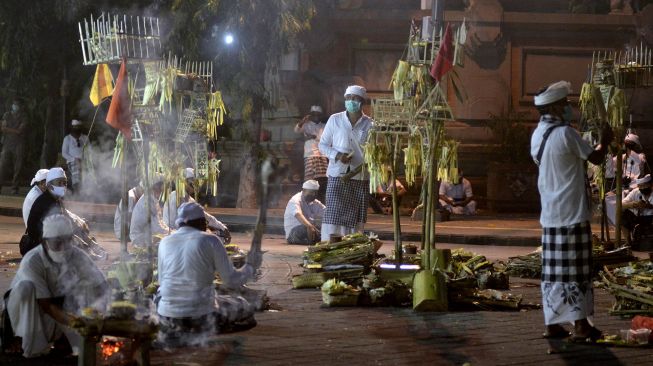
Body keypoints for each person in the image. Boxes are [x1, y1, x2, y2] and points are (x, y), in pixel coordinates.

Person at [530, 80, 613, 342]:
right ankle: (580, 326)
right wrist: (605, 140)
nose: (568, 108)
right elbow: (596, 158)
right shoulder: (566, 133)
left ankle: (552, 324)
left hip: (551, 213)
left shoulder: (538, 134)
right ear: (554, 108)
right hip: (572, 213)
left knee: (554, 271)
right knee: (576, 270)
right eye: (564, 104)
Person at [3, 214, 108, 358]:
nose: (63, 247)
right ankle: (20, 339)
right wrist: (74, 322)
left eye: (67, 241)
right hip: (25, 312)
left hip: (56, 309)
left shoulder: (77, 255)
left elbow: (101, 285)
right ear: (44, 241)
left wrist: (103, 309)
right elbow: (45, 304)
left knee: (83, 287)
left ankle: (62, 341)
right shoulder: (33, 260)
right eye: (57, 242)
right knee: (26, 288)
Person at [156, 202, 258, 340]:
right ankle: (210, 328)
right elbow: (231, 280)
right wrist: (250, 267)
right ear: (201, 222)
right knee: (242, 304)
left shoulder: (165, 242)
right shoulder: (211, 240)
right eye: (205, 221)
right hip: (200, 316)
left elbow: (161, 283)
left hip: (167, 316)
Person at [318, 85, 373, 242]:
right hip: (337, 175)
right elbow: (323, 145)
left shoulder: (370, 124)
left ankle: (351, 246)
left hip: (359, 176)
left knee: (355, 217)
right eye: (348, 98)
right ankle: (330, 244)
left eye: (355, 99)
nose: (351, 101)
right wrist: (337, 155)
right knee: (334, 214)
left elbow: (374, 150)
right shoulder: (335, 119)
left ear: (362, 102)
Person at [162, 167, 231, 244]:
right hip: (174, 235)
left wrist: (222, 227)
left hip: (184, 234)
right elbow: (173, 224)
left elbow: (205, 216)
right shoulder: (175, 197)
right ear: (184, 182)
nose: (195, 185)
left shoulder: (189, 198)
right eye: (192, 181)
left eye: (196, 182)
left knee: (217, 235)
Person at [25, 168, 68, 255]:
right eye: (59, 183)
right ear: (49, 185)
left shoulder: (55, 199)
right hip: (39, 245)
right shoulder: (46, 201)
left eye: (64, 183)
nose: (63, 186)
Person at [295, 105, 328, 203]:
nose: (316, 116)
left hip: (322, 155)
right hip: (310, 155)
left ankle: (321, 200)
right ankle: (307, 200)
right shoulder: (306, 125)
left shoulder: (324, 126)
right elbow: (296, 130)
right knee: (310, 179)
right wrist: (303, 120)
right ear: (311, 115)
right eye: (314, 114)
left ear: (321, 115)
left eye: (318, 115)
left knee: (323, 178)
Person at [130, 173, 170, 247]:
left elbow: (159, 223)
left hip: (148, 235)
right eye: (162, 186)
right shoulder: (147, 202)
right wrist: (170, 232)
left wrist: (170, 231)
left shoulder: (152, 199)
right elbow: (156, 229)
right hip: (140, 239)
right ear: (155, 187)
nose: (164, 189)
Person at [284, 180, 325, 244]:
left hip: (309, 231)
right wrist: (310, 226)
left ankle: (314, 241)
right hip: (293, 234)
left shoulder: (315, 202)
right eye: (311, 192)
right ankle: (313, 241)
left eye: (315, 193)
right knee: (306, 227)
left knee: (323, 227)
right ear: (304, 190)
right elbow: (298, 214)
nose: (313, 195)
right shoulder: (295, 200)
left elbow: (327, 213)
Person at [0, 98, 28, 194]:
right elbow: (3, 128)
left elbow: (20, 130)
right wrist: (14, 130)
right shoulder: (7, 114)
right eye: (14, 104)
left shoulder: (24, 116)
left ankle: (14, 188)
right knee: (2, 165)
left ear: (21, 106)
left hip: (19, 144)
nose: (15, 106)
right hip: (7, 144)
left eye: (17, 104)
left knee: (18, 167)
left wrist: (8, 129)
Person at [621, 174, 653, 245]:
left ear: (650, 185)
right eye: (640, 186)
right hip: (638, 218)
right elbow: (621, 204)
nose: (643, 188)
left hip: (651, 218)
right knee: (622, 217)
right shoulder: (636, 192)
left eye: (645, 185)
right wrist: (633, 204)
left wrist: (648, 206)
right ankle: (628, 243)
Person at [61, 119, 89, 193]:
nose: (77, 129)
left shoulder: (85, 138)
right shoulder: (67, 139)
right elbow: (64, 153)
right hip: (72, 162)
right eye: (75, 127)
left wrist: (85, 160)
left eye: (78, 127)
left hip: (84, 161)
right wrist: (74, 159)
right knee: (77, 166)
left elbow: (89, 152)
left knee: (87, 169)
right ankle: (77, 190)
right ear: (72, 128)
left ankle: (87, 191)